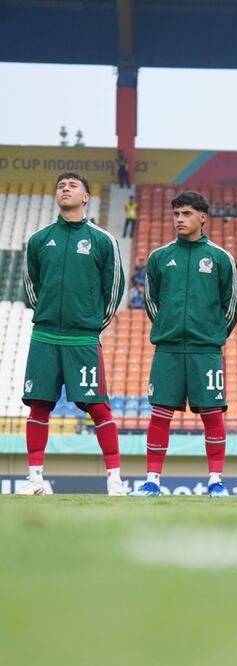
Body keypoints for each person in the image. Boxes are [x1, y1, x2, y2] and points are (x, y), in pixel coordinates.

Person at [20, 172, 125, 495]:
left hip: (82, 338)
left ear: (86, 197)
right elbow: (31, 285)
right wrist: (48, 317)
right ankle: (35, 479)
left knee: (97, 408)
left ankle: (115, 479)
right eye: (60, 186)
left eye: (72, 186)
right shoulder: (39, 239)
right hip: (45, 336)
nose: (65, 189)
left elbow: (114, 288)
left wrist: (91, 323)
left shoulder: (102, 240)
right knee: (39, 406)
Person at [130, 191, 237, 497]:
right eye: (176, 214)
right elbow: (152, 302)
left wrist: (212, 334)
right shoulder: (159, 258)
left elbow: (232, 305)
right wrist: (167, 326)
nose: (180, 219)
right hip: (167, 350)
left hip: (205, 351)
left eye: (187, 213)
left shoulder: (221, 259)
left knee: (212, 415)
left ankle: (216, 481)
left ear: (203, 218)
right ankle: (152, 480)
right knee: (160, 413)